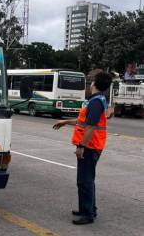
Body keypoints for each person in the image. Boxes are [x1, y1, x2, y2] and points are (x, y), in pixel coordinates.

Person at [53, 72, 113, 225]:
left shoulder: (95, 102)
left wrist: (81, 146)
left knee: (85, 180)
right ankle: (88, 208)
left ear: (93, 84)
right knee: (87, 180)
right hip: (92, 145)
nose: (90, 84)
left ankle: (88, 214)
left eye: (91, 81)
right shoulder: (96, 100)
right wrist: (66, 122)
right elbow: (84, 121)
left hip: (90, 146)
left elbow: (91, 126)